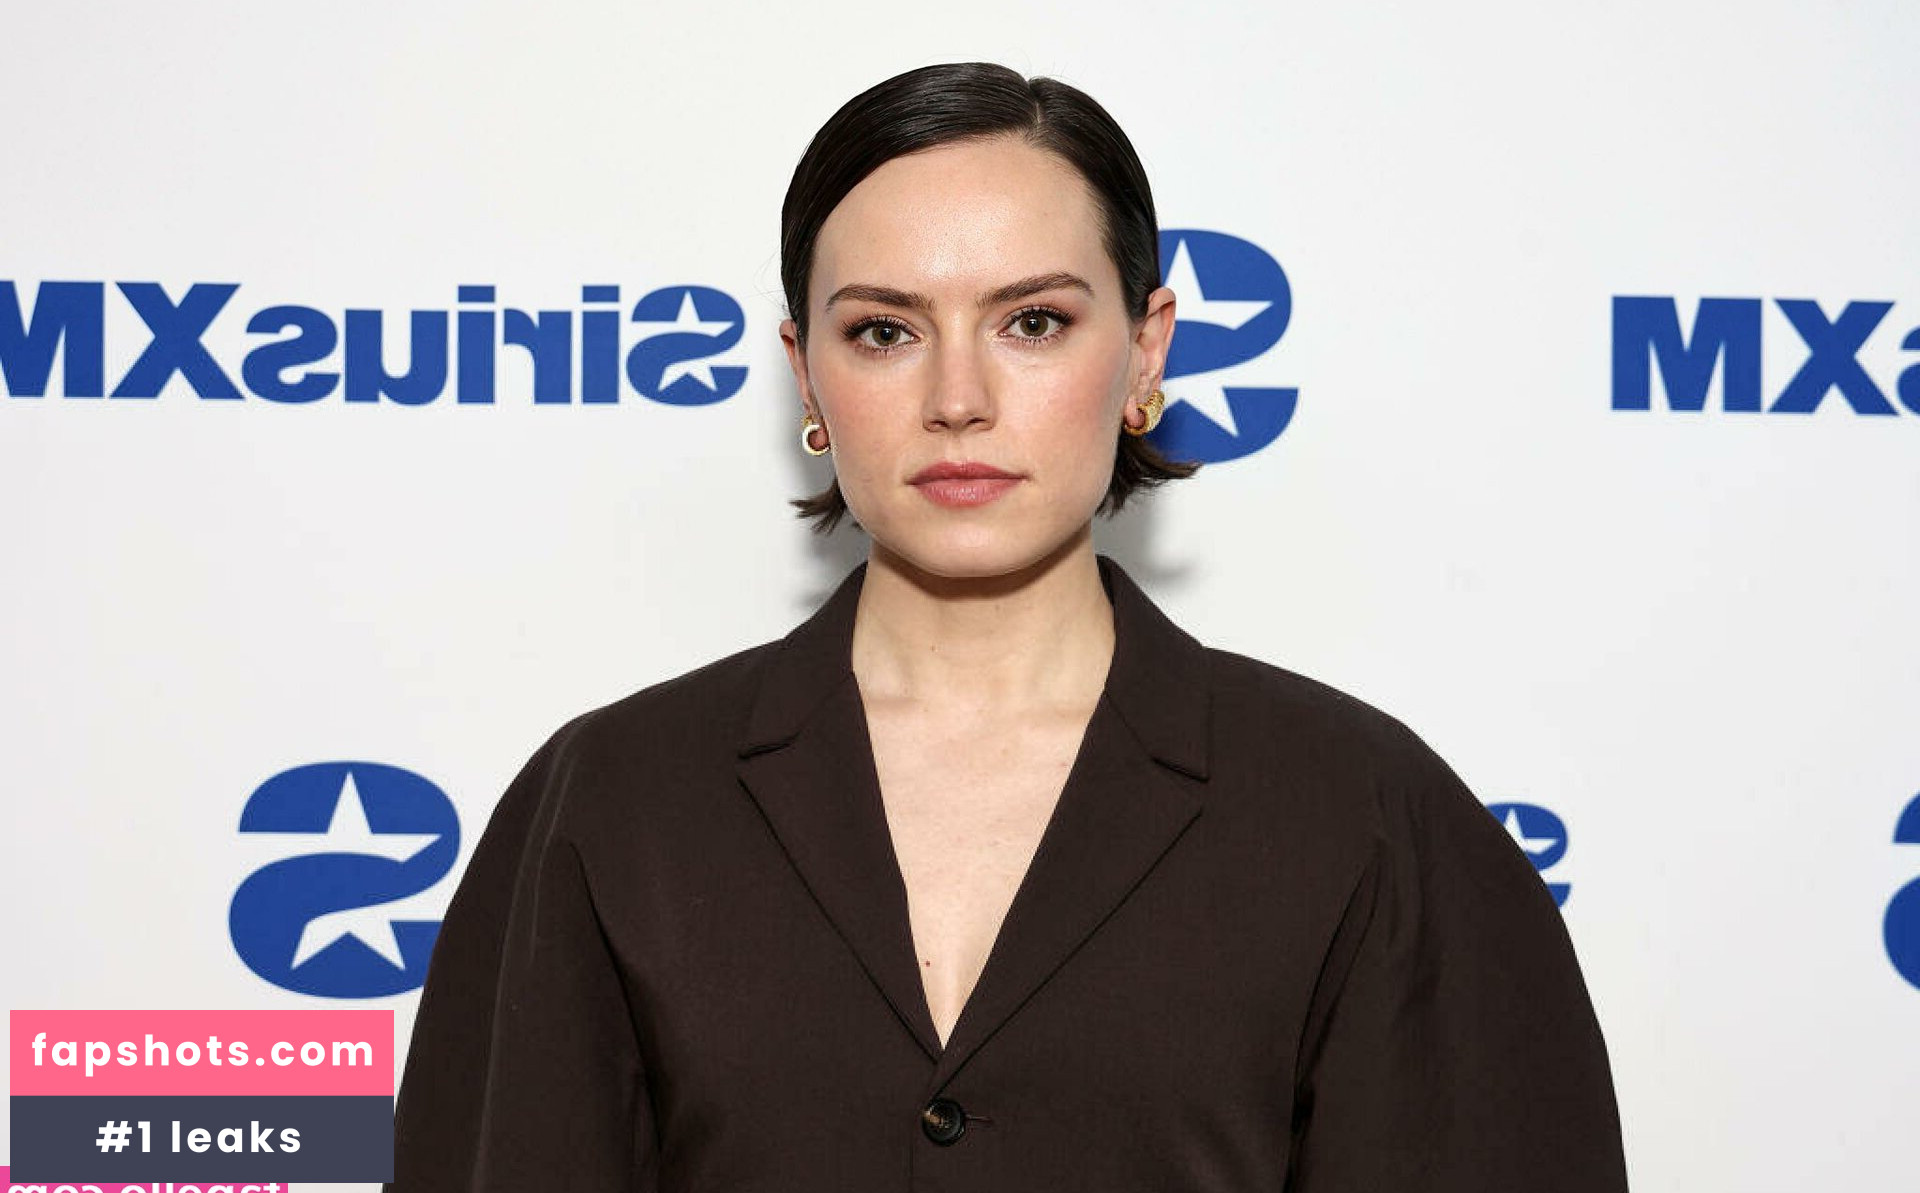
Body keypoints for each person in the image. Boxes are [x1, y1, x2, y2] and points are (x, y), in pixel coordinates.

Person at [385, 61, 1629, 1191]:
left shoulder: (1362, 814)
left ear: (1146, 351)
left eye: (1033, 322)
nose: (959, 398)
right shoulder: (612, 803)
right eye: (885, 331)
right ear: (807, 373)